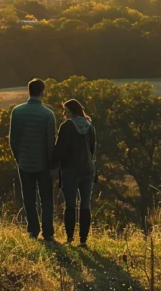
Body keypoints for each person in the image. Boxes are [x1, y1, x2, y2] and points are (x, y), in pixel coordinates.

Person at [8, 79, 57, 241]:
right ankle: (48, 232)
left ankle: (33, 230)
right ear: (42, 91)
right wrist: (52, 165)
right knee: (47, 199)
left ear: (28, 90)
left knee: (28, 198)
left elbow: (13, 139)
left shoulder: (17, 111)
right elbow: (51, 143)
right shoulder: (48, 114)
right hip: (43, 164)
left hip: (24, 162)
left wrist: (19, 157)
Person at [53, 99, 97, 246]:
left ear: (71, 112)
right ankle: (83, 240)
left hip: (70, 169)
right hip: (88, 169)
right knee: (85, 204)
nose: (64, 115)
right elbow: (92, 149)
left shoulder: (66, 126)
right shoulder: (90, 126)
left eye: (65, 112)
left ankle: (70, 238)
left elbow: (59, 149)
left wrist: (53, 167)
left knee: (70, 204)